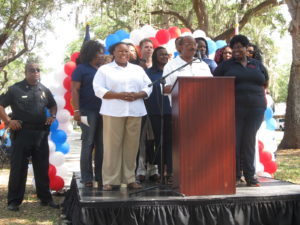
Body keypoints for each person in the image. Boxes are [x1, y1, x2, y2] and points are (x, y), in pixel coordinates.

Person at [0, 59, 59, 211]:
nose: (35, 73)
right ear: (25, 73)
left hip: (40, 133)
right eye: (32, 70)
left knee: (42, 167)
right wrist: (8, 121)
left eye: (37, 70)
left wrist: (52, 116)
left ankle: (45, 198)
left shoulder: (44, 90)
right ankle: (14, 201)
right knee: (19, 167)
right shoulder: (15, 89)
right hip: (21, 133)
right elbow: (0, 105)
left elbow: (53, 105)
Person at [93, 42, 152, 191]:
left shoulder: (138, 69)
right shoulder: (105, 70)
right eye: (120, 51)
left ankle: (129, 178)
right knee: (112, 146)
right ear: (113, 52)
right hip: (113, 111)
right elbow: (98, 89)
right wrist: (118, 95)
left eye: (126, 51)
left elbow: (148, 86)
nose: (123, 53)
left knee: (132, 146)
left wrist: (138, 94)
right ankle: (110, 180)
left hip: (135, 110)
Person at [213, 35, 269, 187]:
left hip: (256, 108)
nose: (237, 49)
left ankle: (250, 177)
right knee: (235, 141)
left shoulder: (257, 64)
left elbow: (265, 81)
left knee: (249, 140)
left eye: (240, 46)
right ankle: (235, 175)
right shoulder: (226, 65)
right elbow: (214, 82)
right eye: (234, 47)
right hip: (235, 108)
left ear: (246, 48)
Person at [71, 40, 105, 188]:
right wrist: (77, 110)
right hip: (86, 111)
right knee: (88, 142)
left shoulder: (103, 70)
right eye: (99, 52)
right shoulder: (81, 69)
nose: (102, 55)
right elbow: (75, 90)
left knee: (101, 145)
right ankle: (87, 177)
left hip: (104, 111)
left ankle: (100, 175)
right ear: (91, 53)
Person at [144, 47, 173, 184]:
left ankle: (171, 171)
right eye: (161, 54)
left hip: (173, 111)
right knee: (160, 142)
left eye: (166, 54)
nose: (164, 56)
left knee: (171, 142)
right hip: (155, 112)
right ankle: (162, 172)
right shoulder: (149, 73)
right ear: (155, 56)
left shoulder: (171, 71)